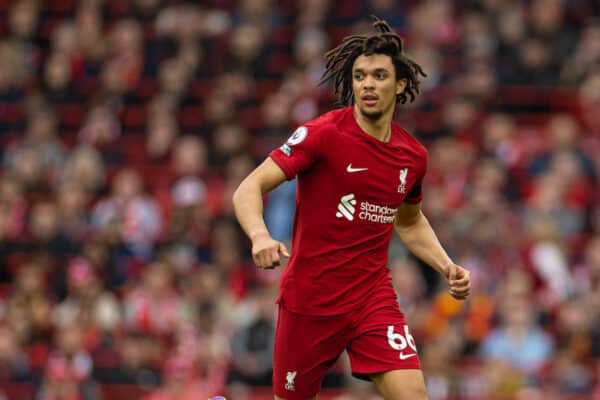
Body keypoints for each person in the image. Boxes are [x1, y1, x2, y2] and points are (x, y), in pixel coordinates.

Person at [232, 16, 471, 400]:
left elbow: (409, 222)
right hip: (310, 302)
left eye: (378, 75)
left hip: (371, 300)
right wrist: (260, 236)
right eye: (360, 76)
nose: (367, 85)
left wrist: (446, 265)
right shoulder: (323, 134)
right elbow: (249, 187)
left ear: (401, 84)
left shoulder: (413, 156)